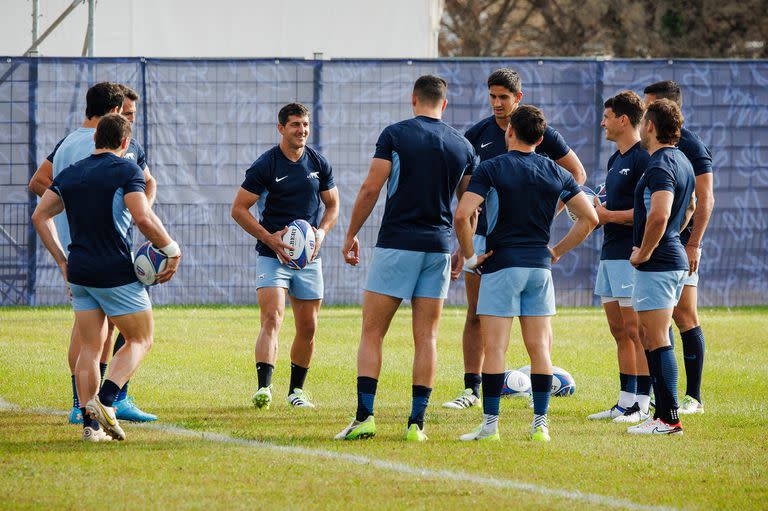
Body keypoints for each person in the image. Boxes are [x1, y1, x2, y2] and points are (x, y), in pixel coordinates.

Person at [335, 75, 477, 442]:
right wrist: (464, 249)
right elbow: (469, 209)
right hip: (438, 249)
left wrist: (350, 234)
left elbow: (370, 188)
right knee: (427, 337)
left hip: (397, 244)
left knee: (372, 332)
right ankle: (417, 424)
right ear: (443, 104)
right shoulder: (463, 145)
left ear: (414, 100)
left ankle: (365, 417)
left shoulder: (396, 134)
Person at [443, 68, 587, 410]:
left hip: (523, 245)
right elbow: (465, 195)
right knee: (475, 314)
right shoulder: (476, 134)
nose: (496, 103)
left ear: (517, 98)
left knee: (533, 334)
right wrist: (462, 245)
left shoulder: (539, 131)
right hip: (481, 239)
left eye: (503, 97)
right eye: (492, 96)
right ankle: (471, 390)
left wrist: (543, 216)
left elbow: (577, 174)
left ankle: (530, 394)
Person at [31, 113, 181, 441]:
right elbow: (142, 216)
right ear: (125, 143)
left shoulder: (71, 173)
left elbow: (40, 215)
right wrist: (170, 247)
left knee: (90, 346)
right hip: (113, 270)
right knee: (141, 339)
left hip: (79, 270)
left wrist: (61, 260)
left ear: (96, 139)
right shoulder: (126, 168)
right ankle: (108, 402)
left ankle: (91, 426)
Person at [28, 82, 127, 424]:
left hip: (75, 252)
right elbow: (141, 188)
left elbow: (38, 182)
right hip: (109, 249)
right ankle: (113, 399)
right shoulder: (114, 144)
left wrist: (69, 201)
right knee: (129, 329)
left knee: (88, 331)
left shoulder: (67, 143)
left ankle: (79, 404)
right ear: (114, 113)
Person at [231, 103, 339, 410]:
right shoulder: (266, 165)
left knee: (309, 326)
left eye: (305, 125)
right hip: (272, 255)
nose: (302, 130)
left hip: (308, 260)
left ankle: (296, 392)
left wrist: (320, 233)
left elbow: (333, 205)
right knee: (272, 317)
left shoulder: (318, 163)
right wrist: (269, 238)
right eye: (295, 125)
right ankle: (264, 388)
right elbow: (238, 208)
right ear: (281, 128)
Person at [643, 81, 714, 415]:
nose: (643, 116)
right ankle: (661, 397)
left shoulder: (688, 146)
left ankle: (692, 397)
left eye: (647, 109)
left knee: (683, 315)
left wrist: (693, 242)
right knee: (657, 322)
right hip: (666, 243)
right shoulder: (652, 149)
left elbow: (704, 198)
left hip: (676, 246)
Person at [627, 99, 695, 435]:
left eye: (642, 122)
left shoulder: (660, 164)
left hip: (659, 261)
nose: (640, 127)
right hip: (670, 258)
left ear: (650, 126)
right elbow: (690, 208)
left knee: (655, 337)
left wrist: (646, 250)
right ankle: (663, 416)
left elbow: (660, 213)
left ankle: (668, 419)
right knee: (648, 335)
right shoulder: (681, 160)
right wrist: (671, 239)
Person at [588, 91, 652, 423]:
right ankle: (625, 400)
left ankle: (643, 402)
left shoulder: (644, 157)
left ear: (623, 120)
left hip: (630, 255)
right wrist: (595, 213)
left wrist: (607, 216)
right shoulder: (616, 159)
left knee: (634, 329)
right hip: (609, 253)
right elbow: (609, 210)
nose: (603, 123)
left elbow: (648, 211)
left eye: (607, 116)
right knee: (617, 329)